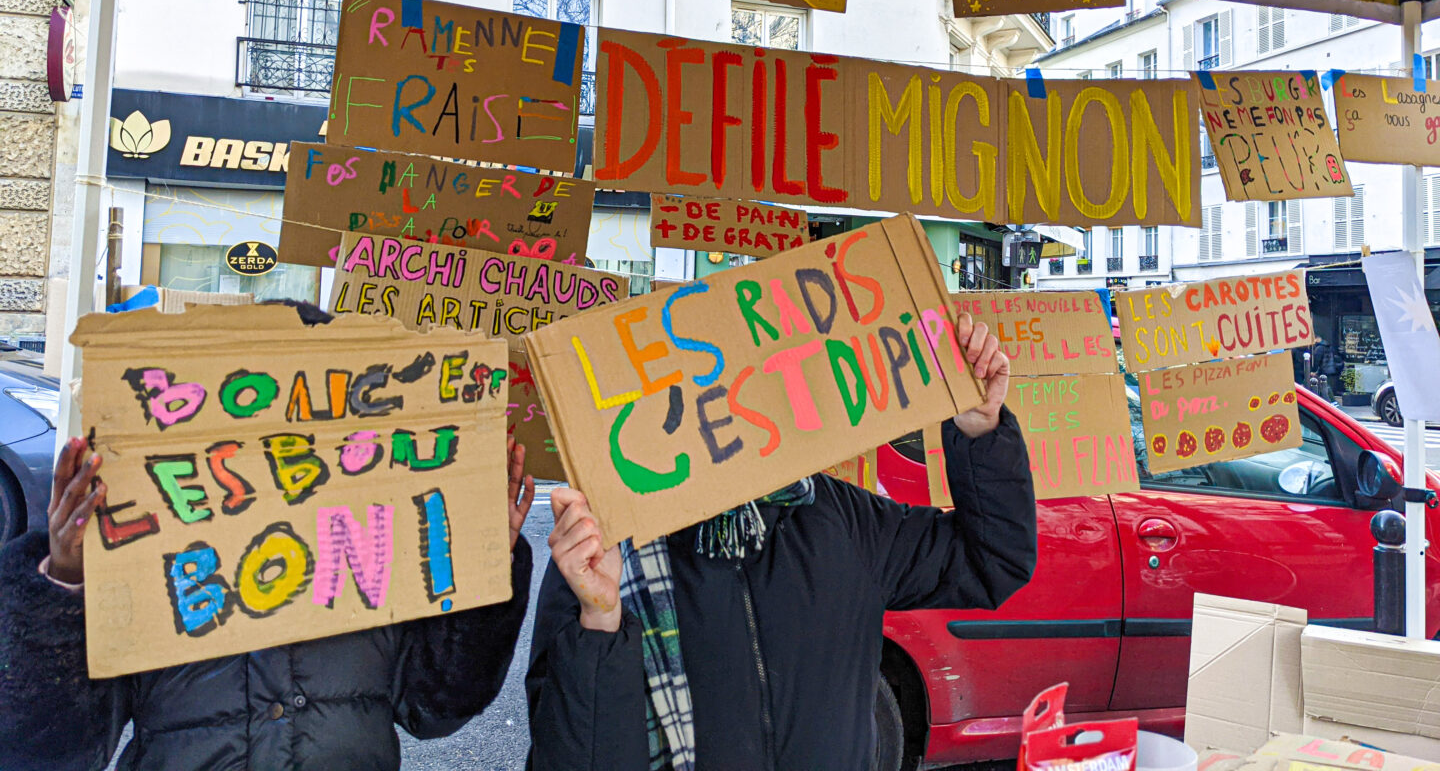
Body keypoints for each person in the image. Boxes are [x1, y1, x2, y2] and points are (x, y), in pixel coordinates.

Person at [0, 301, 537, 771]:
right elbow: (54, 750)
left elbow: (434, 709)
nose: (289, 453)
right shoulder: (150, 555)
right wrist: (63, 587)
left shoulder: (382, 544)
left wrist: (482, 561)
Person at [525, 312, 1037, 771]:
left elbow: (991, 559)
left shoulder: (846, 519)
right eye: (689, 388)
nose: (718, 405)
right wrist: (600, 622)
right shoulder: (605, 550)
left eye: (738, 380)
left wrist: (980, 429)